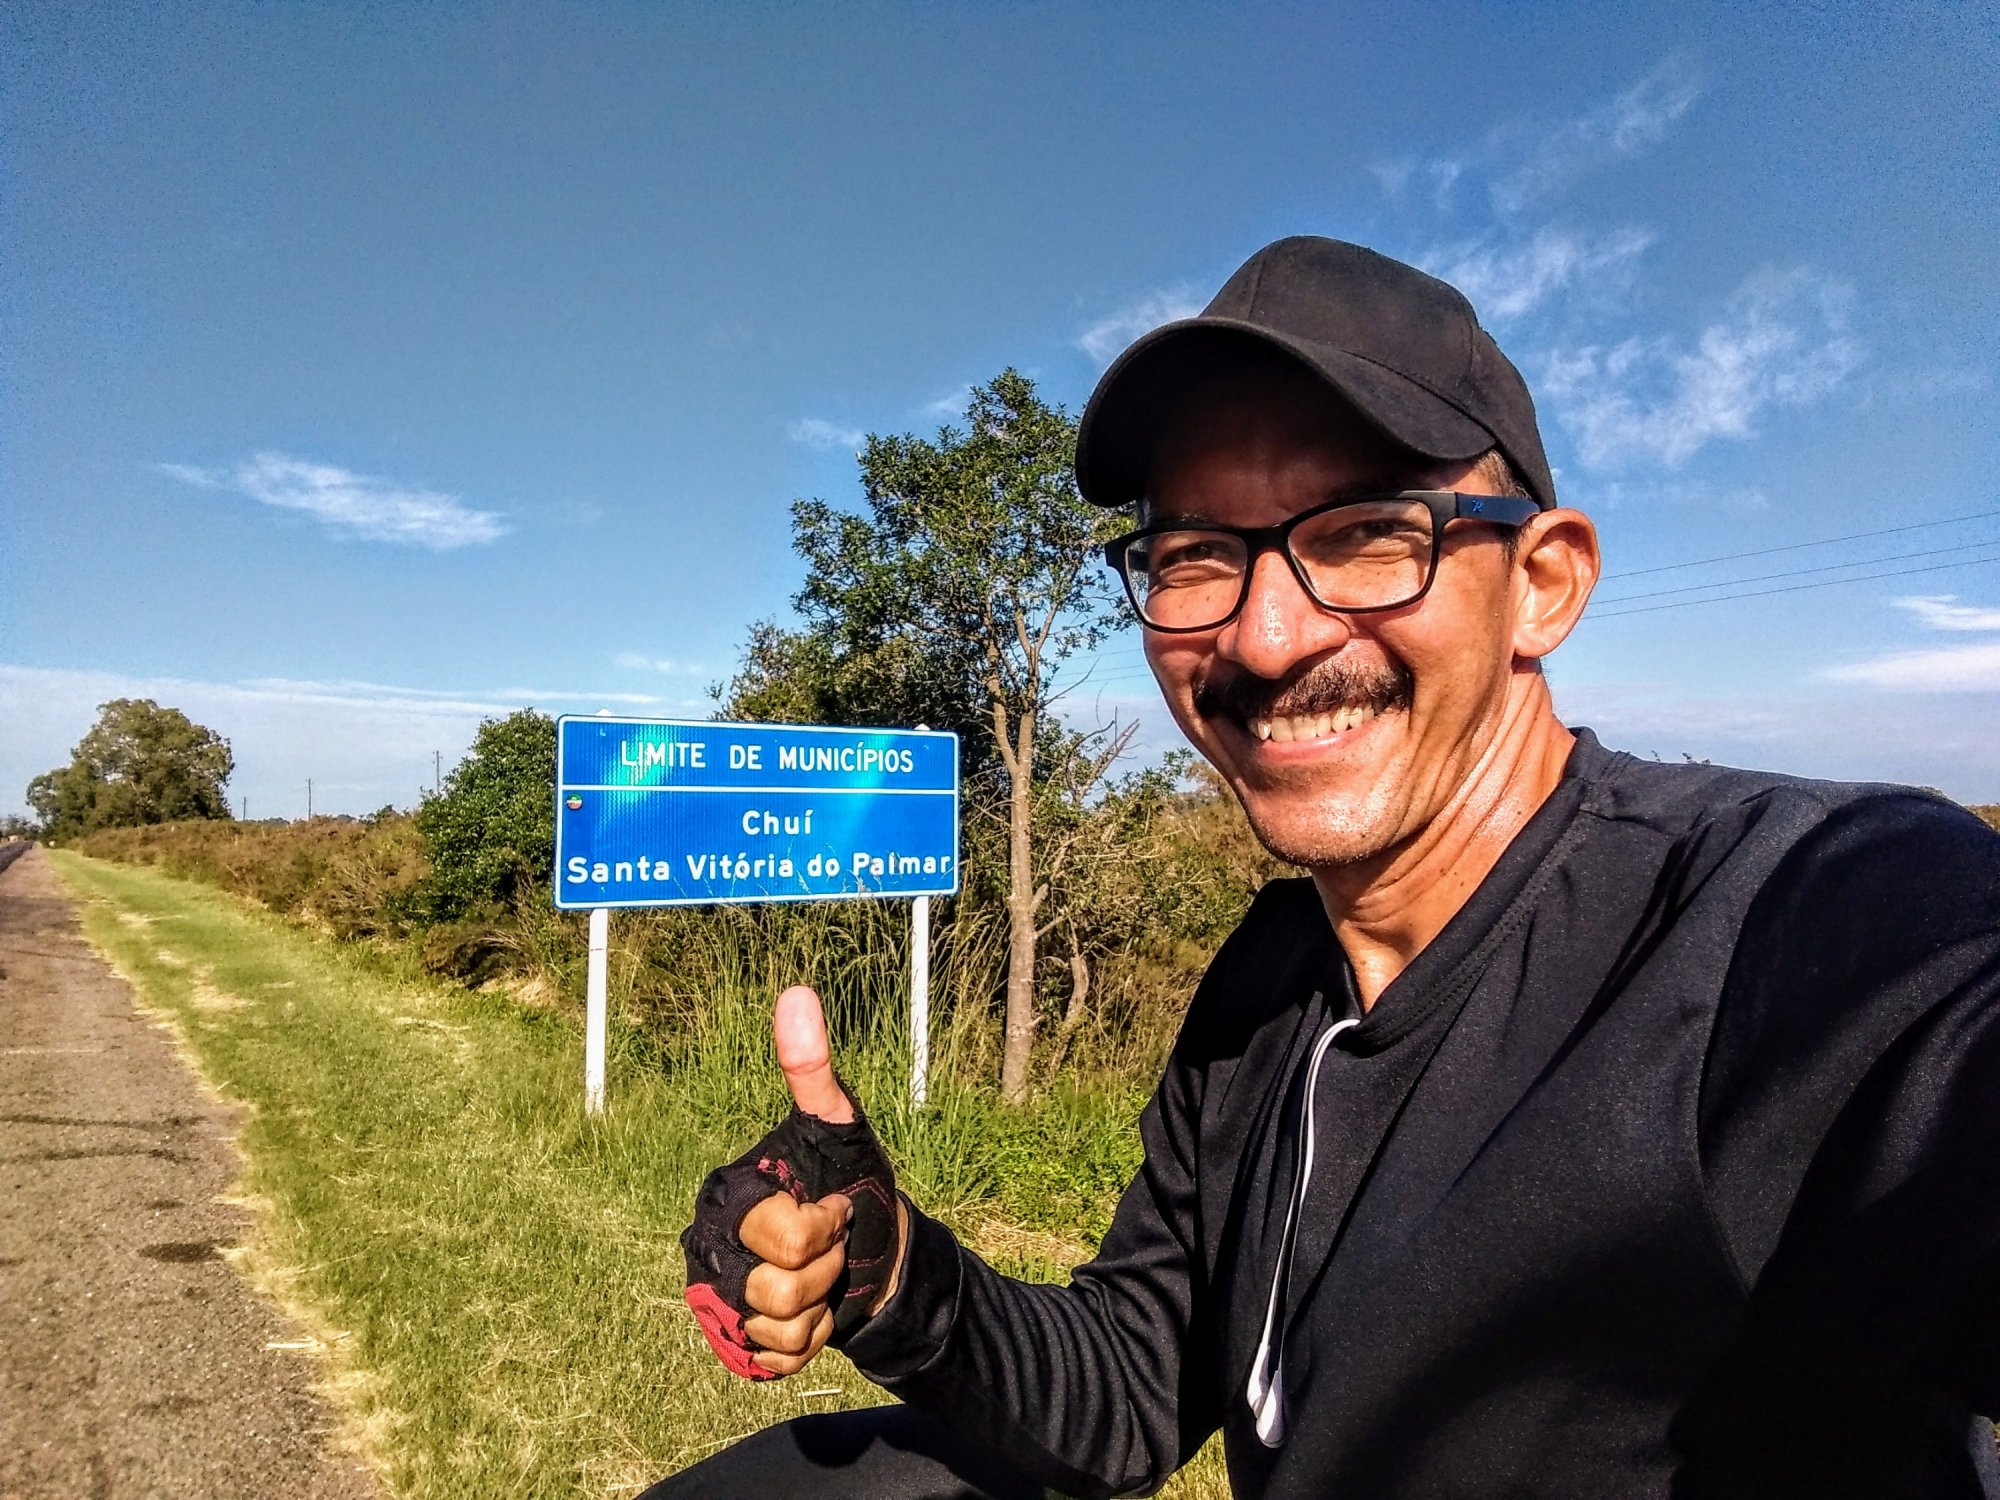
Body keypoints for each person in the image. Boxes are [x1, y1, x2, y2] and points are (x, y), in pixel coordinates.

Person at [652, 237, 2000, 1499]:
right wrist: (896, 1273)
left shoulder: (1807, 923)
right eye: (1195, 556)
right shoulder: (1268, 986)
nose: (1267, 636)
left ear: (1543, 582)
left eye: (1365, 534)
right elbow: (1133, 1383)